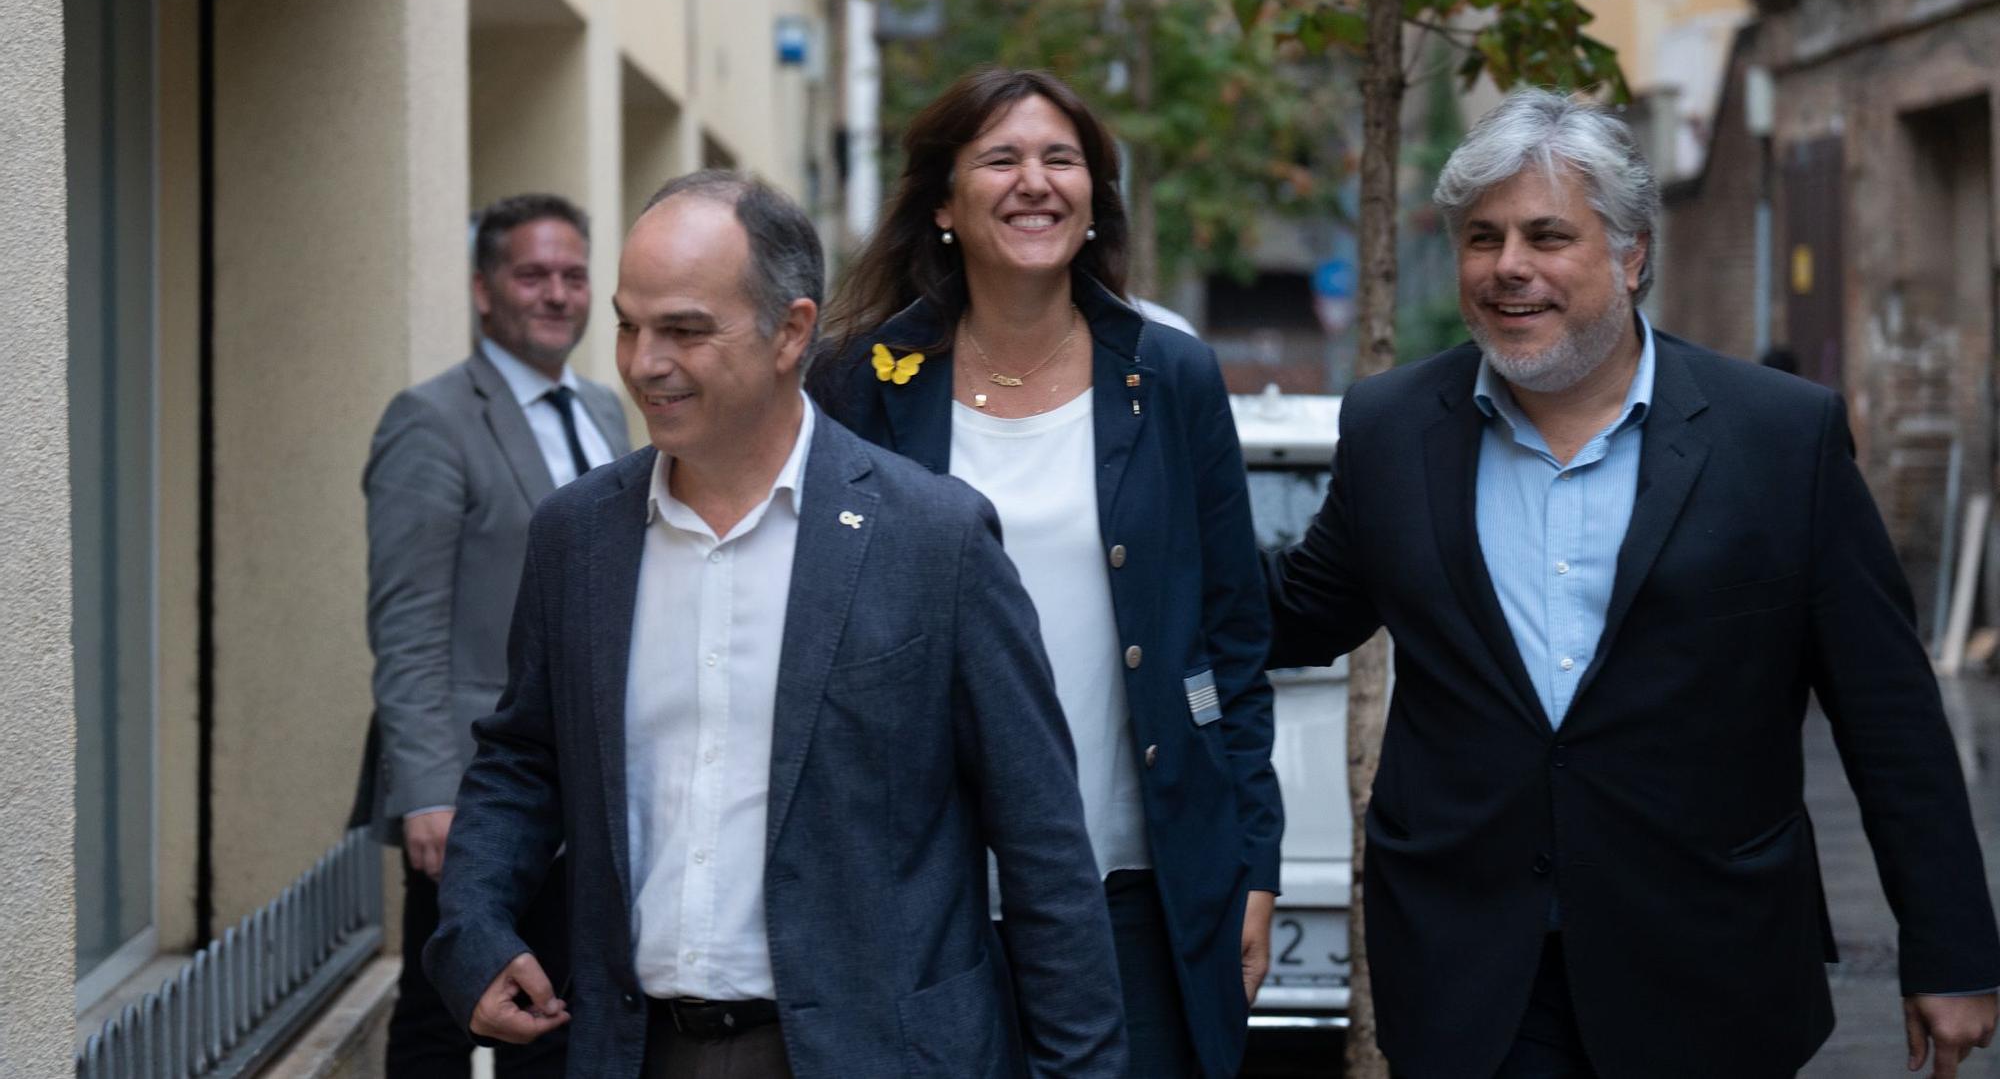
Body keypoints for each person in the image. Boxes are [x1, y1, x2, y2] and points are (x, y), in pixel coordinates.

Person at [1266, 88, 2000, 1079]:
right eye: (1480, 238)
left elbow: (1888, 714)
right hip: (1471, 966)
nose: (1506, 266)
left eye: (1544, 235)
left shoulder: (1777, 437)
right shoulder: (1394, 427)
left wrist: (1950, 947)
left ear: (1630, 255)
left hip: (1705, 961)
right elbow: (1303, 610)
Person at [424, 171, 1126, 1079]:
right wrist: (472, 929)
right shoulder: (578, 535)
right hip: (633, 1050)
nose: (642, 362)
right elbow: (524, 758)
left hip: (878, 1054)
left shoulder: (933, 538)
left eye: (684, 329)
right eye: (630, 324)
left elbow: (1041, 844)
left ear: (791, 330)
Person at [812, 67, 1281, 1079]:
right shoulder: (856, 385)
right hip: (922, 903)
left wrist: (1254, 861)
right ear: (941, 201)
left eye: (1060, 159)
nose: (1036, 181)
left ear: (1092, 195)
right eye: (1001, 159)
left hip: (1138, 889)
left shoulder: (1172, 376)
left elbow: (1233, 637)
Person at [350, 192, 629, 1078]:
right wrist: (428, 791)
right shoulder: (430, 420)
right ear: (483, 290)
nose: (556, 293)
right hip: (474, 787)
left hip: (583, 774)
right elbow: (407, 622)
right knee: (445, 1017)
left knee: (556, 1007)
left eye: (574, 274)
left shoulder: (606, 408)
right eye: (531, 274)